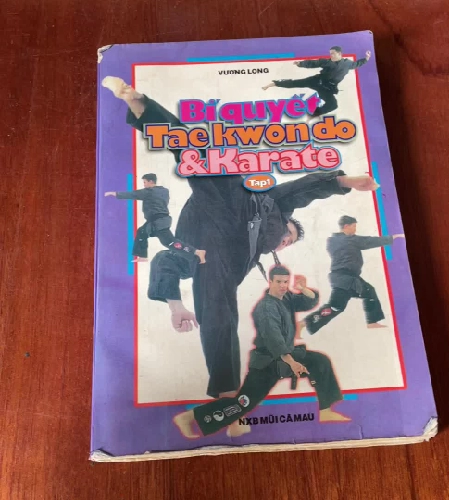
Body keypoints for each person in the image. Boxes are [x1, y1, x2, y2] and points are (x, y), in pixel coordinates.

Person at [102, 76, 380, 399]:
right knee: (200, 156)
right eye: (289, 235)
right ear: (287, 223)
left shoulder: (251, 257)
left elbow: (169, 264)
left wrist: (175, 305)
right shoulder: (275, 205)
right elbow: (302, 189)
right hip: (230, 202)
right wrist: (344, 182)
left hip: (210, 249)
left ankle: (225, 390)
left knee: (218, 307)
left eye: (288, 244)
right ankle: (140, 104)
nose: (285, 242)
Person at [173, 266, 349, 439]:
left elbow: (308, 301)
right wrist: (292, 363)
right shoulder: (266, 308)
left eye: (286, 282)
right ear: (270, 282)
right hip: (266, 362)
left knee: (319, 361)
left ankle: (325, 411)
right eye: (279, 282)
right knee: (243, 404)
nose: (283, 285)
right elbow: (274, 339)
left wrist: (303, 289)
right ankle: (189, 417)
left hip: (284, 357)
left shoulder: (286, 297)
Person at [299, 216, 405, 335]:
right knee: (336, 306)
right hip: (346, 279)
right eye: (354, 226)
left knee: (368, 292)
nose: (355, 229)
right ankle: (305, 323)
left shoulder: (333, 240)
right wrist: (392, 238)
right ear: (346, 226)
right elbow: (369, 241)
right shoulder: (350, 240)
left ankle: (372, 322)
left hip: (344, 278)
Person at [105, 173, 206, 264]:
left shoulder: (149, 192)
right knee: (150, 235)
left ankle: (197, 252)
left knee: (167, 241)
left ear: (151, 181)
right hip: (161, 220)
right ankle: (143, 257)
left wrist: (115, 194)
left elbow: (133, 194)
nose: (144, 185)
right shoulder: (164, 191)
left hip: (158, 222)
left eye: (145, 182)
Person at [262, 46, 371, 117]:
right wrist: (301, 64)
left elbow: (357, 64)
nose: (331, 56)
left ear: (339, 53)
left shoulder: (348, 64)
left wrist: (366, 58)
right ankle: (274, 83)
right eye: (330, 54)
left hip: (327, 87)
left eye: (333, 53)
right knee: (297, 83)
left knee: (333, 105)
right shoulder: (327, 62)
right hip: (316, 81)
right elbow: (314, 63)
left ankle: (313, 114)